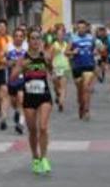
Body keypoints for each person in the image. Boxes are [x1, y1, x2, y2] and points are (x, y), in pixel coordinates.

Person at [14, 31, 55, 174]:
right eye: (32, 39)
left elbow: (52, 73)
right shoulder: (23, 58)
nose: (36, 41)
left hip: (44, 95)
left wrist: (50, 66)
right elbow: (12, 77)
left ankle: (44, 158)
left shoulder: (46, 56)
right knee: (33, 130)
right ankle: (35, 157)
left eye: (38, 38)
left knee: (43, 127)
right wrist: (22, 67)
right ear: (28, 41)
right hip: (29, 96)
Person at [70, 20, 98, 121]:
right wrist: (73, 52)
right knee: (80, 91)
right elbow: (66, 52)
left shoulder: (91, 38)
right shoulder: (73, 38)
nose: (81, 29)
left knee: (86, 88)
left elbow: (96, 49)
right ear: (77, 28)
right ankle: (81, 105)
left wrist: (95, 52)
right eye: (79, 27)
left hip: (88, 65)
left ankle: (87, 110)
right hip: (77, 66)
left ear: (86, 28)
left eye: (83, 27)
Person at [5, 28, 29, 135]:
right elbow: (4, 62)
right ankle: (17, 112)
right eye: (16, 36)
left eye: (21, 36)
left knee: (21, 99)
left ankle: (20, 123)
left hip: (24, 79)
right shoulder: (9, 48)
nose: (18, 38)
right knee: (14, 102)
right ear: (13, 37)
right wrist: (11, 62)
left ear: (23, 38)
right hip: (12, 80)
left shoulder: (27, 48)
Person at [49, 26, 72, 112]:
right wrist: (51, 67)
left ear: (64, 35)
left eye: (62, 34)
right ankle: (57, 94)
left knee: (63, 87)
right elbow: (49, 57)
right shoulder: (54, 45)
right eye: (58, 34)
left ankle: (61, 103)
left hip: (65, 67)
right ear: (56, 36)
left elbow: (70, 54)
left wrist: (71, 54)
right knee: (56, 86)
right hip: (56, 68)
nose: (60, 36)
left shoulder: (67, 45)